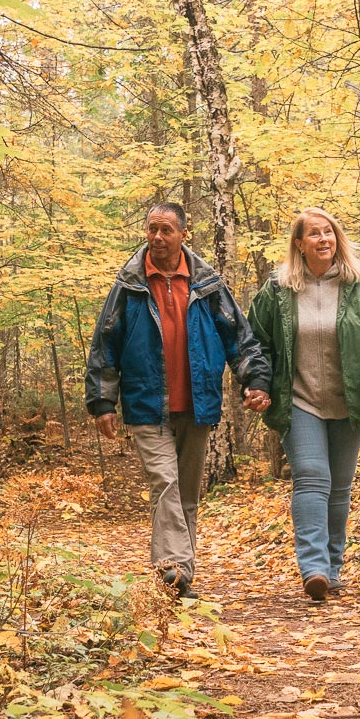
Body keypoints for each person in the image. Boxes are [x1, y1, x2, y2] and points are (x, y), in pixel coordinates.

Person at [85, 202, 272, 598]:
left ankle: (179, 575)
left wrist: (255, 380)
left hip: (197, 404)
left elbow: (239, 337)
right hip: (145, 405)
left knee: (186, 492)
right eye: (151, 229)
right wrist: (103, 401)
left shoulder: (208, 285)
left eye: (166, 230)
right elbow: (106, 343)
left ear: (184, 235)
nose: (157, 237)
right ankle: (172, 571)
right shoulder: (129, 284)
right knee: (165, 484)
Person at [248, 207, 360, 602]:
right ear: (299, 244)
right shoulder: (278, 290)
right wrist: (257, 384)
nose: (323, 239)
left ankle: (332, 570)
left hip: (349, 400)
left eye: (329, 233)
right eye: (314, 234)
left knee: (339, 488)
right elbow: (256, 345)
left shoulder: (359, 287)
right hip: (298, 399)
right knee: (313, 477)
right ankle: (313, 567)